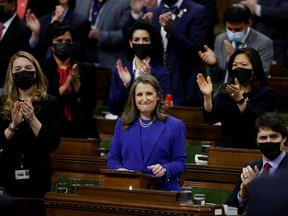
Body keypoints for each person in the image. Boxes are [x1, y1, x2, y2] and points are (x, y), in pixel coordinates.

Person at [107, 74, 186, 191]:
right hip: (130, 190)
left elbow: (180, 163)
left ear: (158, 96)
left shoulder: (175, 125)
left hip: (163, 191)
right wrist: (120, 170)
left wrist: (165, 169)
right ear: (134, 98)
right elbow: (113, 159)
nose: (144, 99)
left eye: (149, 94)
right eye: (139, 94)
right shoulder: (122, 123)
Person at [0, 51, 61, 198]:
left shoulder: (50, 103)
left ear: (36, 73)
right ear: (12, 75)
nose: (23, 72)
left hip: (38, 175)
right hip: (8, 173)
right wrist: (13, 126)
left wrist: (32, 119)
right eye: (18, 70)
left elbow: (52, 143)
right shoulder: (3, 103)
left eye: (28, 68)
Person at [196, 47, 276, 149]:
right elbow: (210, 119)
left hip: (252, 150)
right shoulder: (226, 91)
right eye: (235, 65)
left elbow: (258, 123)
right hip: (227, 149)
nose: (238, 68)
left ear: (254, 69)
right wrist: (207, 97)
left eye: (243, 65)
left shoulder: (266, 93)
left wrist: (240, 99)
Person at [226, 112, 288, 215]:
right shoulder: (248, 168)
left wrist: (259, 189)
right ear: (256, 141)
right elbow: (230, 208)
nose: (269, 141)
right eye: (263, 138)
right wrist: (242, 194)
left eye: (273, 136)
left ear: (284, 138)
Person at [44, 22, 98, 138]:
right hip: (51, 130)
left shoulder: (86, 69)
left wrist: (77, 86)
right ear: (51, 45)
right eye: (59, 41)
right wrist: (65, 86)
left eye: (68, 41)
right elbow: (43, 103)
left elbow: (90, 105)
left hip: (81, 130)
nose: (64, 44)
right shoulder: (42, 69)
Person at [198, 4, 273, 87]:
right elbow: (215, 80)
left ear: (249, 23)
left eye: (238, 29)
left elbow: (260, 77)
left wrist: (234, 61)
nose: (233, 33)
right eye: (229, 29)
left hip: (249, 94)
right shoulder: (220, 39)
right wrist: (213, 65)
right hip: (223, 93)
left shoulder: (263, 43)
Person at [108, 19, 170, 116]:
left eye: (145, 39)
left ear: (151, 43)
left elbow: (162, 108)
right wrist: (126, 85)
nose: (140, 43)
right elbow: (113, 108)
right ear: (131, 43)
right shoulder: (120, 71)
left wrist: (148, 81)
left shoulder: (161, 72)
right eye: (136, 40)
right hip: (126, 125)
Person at [25, 0, 90, 63]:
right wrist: (35, 35)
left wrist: (53, 26)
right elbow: (35, 54)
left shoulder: (80, 22)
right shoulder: (42, 21)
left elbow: (74, 53)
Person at [237, 0, 288, 69]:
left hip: (273, 46)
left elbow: (284, 12)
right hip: (245, 44)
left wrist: (257, 9)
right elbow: (235, 7)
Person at [0, 0, 31, 87]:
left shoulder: (23, 29)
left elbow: (20, 59)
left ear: (12, 5)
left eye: (2, 2)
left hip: (9, 85)